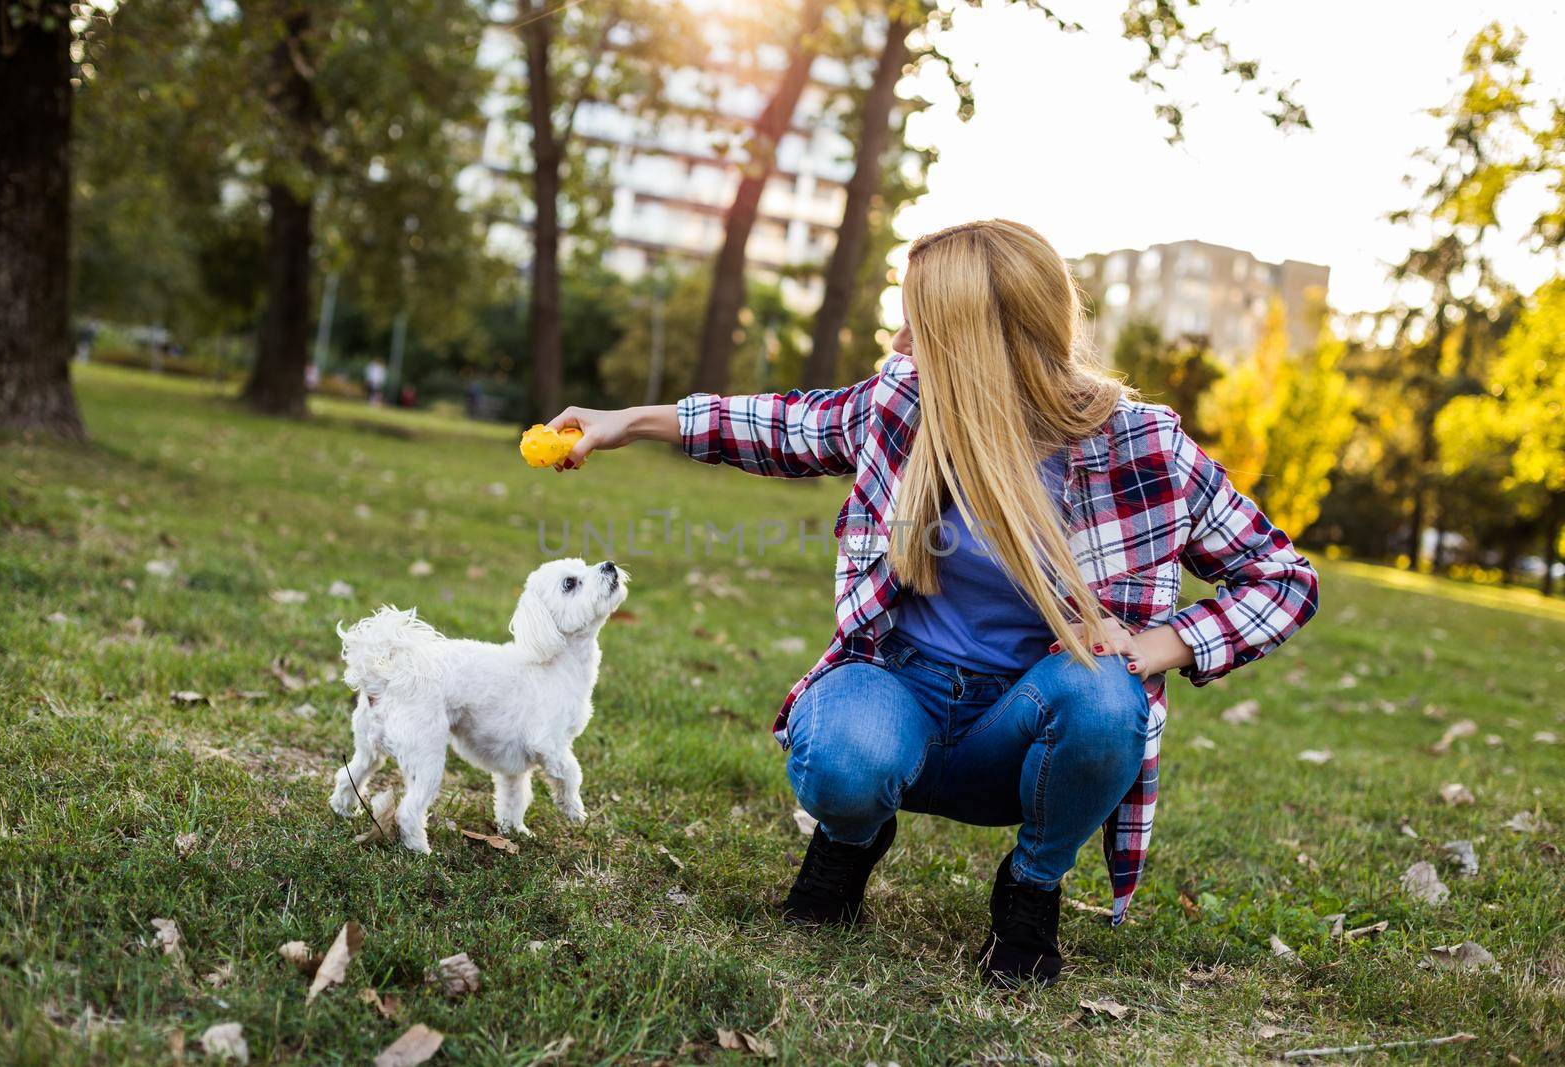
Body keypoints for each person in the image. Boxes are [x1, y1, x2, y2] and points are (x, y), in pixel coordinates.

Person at [545, 220, 1319, 987]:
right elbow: (778, 425)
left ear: (972, 335)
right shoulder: (906, 406)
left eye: (917, 317)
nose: (899, 338)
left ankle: (1031, 886)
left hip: (1023, 730)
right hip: (897, 687)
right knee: (844, 759)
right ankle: (849, 840)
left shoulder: (1141, 447)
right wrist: (629, 422)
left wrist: (1156, 646)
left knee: (1106, 696)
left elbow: (1283, 579)